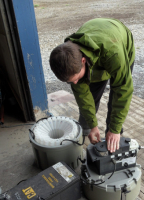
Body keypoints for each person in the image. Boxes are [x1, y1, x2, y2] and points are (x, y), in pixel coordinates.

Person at [49, 18, 135, 153]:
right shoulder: (70, 58)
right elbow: (83, 96)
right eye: (70, 81)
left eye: (76, 79)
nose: (75, 83)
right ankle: (88, 128)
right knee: (91, 95)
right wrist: (93, 125)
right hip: (95, 54)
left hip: (117, 44)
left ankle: (112, 135)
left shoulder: (114, 53)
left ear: (83, 61)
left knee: (115, 99)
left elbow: (122, 90)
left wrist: (115, 129)